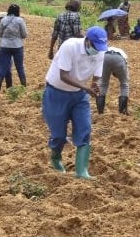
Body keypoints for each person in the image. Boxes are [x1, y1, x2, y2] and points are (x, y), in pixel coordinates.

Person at [44, 26, 107, 178]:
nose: (97, 50)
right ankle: (56, 157)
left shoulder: (100, 52)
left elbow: (97, 75)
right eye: (94, 46)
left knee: (84, 128)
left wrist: (95, 85)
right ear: (87, 41)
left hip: (79, 96)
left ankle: (81, 171)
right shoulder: (70, 46)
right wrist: (85, 87)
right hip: (57, 92)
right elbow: (64, 75)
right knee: (58, 133)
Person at [0, 4, 28, 88]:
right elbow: (25, 34)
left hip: (5, 46)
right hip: (17, 46)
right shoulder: (20, 20)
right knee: (19, 67)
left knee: (3, 66)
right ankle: (23, 86)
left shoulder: (3, 20)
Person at [97, 45, 130, 115]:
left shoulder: (109, 49)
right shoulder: (123, 54)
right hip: (119, 58)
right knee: (124, 84)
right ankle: (122, 111)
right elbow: (126, 77)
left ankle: (100, 111)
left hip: (105, 57)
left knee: (103, 83)